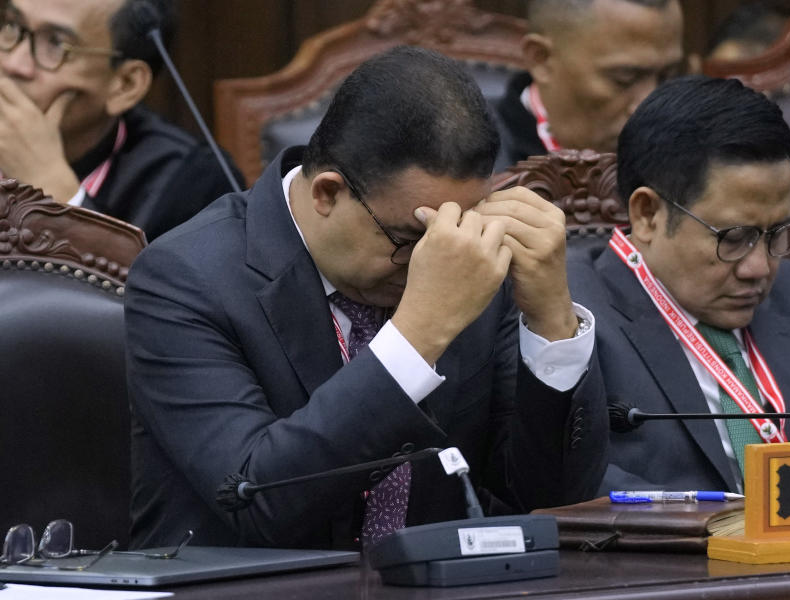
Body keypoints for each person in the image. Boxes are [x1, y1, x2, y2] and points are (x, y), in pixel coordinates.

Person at [124, 46, 607, 550]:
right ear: (327, 194)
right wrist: (419, 332)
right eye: (408, 239)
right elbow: (255, 498)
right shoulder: (184, 278)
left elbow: (552, 500)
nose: (434, 261)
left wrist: (551, 322)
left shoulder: (472, 261)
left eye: (456, 228)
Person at [566, 76, 790, 494]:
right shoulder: (570, 317)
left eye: (778, 233)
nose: (759, 268)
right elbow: (566, 484)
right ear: (647, 215)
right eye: (734, 238)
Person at [0, 0, 242, 241]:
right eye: (12, 25)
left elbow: (139, 285)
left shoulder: (191, 184)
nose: (14, 63)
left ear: (125, 85)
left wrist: (51, 187)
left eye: (55, 44)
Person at [494, 0, 685, 171]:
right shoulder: (474, 167)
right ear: (542, 59)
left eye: (667, 77)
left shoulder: (693, 159)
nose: (651, 107)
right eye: (624, 78)